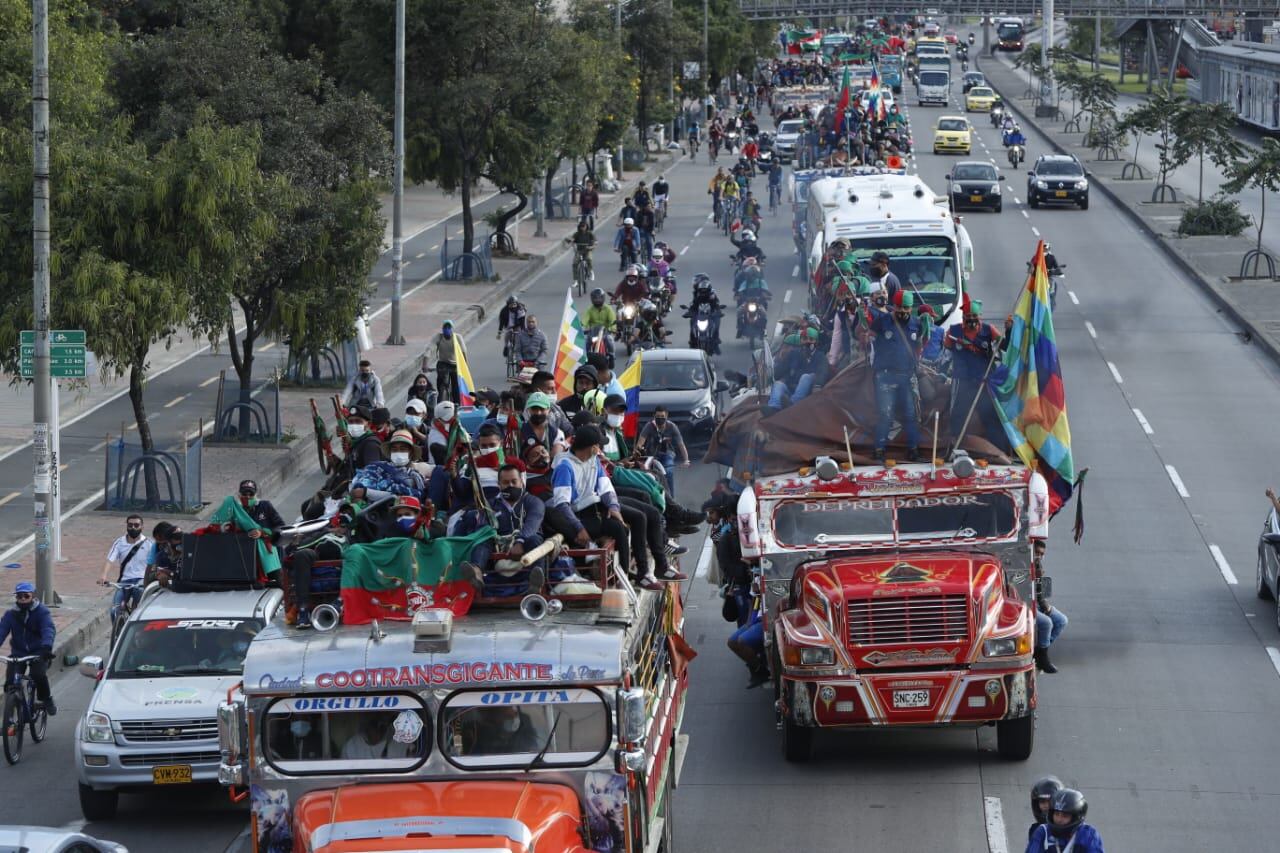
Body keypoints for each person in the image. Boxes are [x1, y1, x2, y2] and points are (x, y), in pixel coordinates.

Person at [545, 425, 632, 572]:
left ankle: (622, 572)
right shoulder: (565, 466)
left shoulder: (594, 460)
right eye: (598, 445)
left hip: (592, 511)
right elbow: (562, 505)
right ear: (592, 447)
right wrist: (579, 528)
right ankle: (619, 573)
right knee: (618, 528)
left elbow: (605, 487)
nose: (600, 448)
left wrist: (613, 506)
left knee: (622, 526)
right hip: (575, 517)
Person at [943, 295, 1005, 449]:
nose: (971, 319)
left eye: (974, 316)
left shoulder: (989, 330)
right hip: (962, 381)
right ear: (963, 317)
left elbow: (1004, 345)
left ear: (980, 316)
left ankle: (997, 449)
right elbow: (946, 352)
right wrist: (943, 373)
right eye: (968, 316)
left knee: (990, 415)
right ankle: (956, 448)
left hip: (983, 381)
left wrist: (1009, 330)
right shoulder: (953, 331)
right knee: (958, 415)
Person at [870, 290, 925, 462]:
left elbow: (920, 346)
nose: (902, 311)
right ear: (893, 306)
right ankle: (879, 449)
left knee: (911, 414)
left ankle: (913, 449)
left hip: (907, 376)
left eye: (906, 308)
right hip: (885, 376)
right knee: (885, 414)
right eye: (899, 307)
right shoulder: (881, 321)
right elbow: (865, 337)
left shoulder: (917, 324)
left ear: (911, 308)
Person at [0, 582, 56, 715]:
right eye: (20, 596)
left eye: (26, 596)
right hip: (18, 653)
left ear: (33, 596)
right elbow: (1, 631)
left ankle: (46, 699)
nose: (23, 599)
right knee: (10, 683)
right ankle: (10, 713)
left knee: (38, 675)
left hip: (38, 652)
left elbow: (48, 629)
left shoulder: (42, 612)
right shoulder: (10, 614)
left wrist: (46, 647)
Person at [102, 514, 151, 623]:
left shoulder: (149, 544)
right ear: (127, 526)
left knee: (139, 609)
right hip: (124, 581)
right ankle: (119, 631)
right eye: (130, 525)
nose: (133, 528)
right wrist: (103, 576)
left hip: (141, 581)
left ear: (142, 527)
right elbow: (110, 560)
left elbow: (154, 564)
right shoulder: (119, 542)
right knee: (114, 611)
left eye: (136, 525)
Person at [1026, 788, 1104, 853]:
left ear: (1075, 817)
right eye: (1056, 814)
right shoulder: (1043, 832)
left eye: (1065, 816)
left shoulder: (1088, 834)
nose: (1059, 819)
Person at [636, 407, 690, 496]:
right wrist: (636, 456)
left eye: (662, 416)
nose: (660, 419)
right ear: (654, 416)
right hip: (651, 455)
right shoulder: (649, 426)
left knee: (668, 472)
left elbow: (681, 445)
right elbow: (640, 443)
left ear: (667, 416)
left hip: (667, 454)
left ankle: (671, 498)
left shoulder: (672, 427)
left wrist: (686, 460)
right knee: (648, 475)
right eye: (658, 416)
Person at [1032, 539, 1068, 673]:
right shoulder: (1022, 565)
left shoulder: (1038, 566)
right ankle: (1042, 658)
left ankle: (1039, 652)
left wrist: (1045, 606)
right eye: (1037, 552)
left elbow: (1040, 592)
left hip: (1037, 603)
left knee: (1061, 620)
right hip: (1026, 606)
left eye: (1042, 554)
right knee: (1047, 623)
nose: (1039, 556)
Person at [768, 328, 825, 411]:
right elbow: (777, 374)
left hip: (808, 392)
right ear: (800, 340)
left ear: (816, 342)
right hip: (791, 388)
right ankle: (773, 408)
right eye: (804, 339)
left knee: (806, 377)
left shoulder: (820, 356)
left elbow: (823, 372)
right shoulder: (794, 354)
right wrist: (782, 360)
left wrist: (818, 384)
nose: (807, 342)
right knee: (778, 384)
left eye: (811, 339)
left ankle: (793, 404)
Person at [471, 705, 542, 754]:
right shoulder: (479, 732)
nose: (511, 710)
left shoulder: (524, 724)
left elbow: (533, 746)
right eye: (502, 710)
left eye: (509, 707)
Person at [341, 713, 411, 760]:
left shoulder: (402, 742)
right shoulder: (351, 745)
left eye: (381, 723)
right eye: (374, 723)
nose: (378, 727)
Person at [683, 273, 723, 353]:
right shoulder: (696, 292)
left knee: (716, 323)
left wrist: (718, 311)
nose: (694, 283)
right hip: (699, 314)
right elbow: (694, 304)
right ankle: (692, 341)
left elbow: (716, 303)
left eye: (696, 281)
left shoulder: (712, 293)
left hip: (710, 314)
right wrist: (689, 312)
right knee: (692, 322)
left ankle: (716, 342)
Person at [343, 404, 386, 473]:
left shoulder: (370, 444)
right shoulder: (357, 442)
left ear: (368, 424)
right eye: (350, 422)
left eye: (358, 421)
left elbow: (371, 474)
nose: (354, 425)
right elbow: (350, 469)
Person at [432, 320, 467, 405]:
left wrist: (464, 364)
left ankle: (457, 404)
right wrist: (424, 364)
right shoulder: (439, 337)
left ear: (452, 329)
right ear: (442, 329)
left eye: (449, 327)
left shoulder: (457, 337)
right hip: (443, 363)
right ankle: (441, 394)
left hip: (455, 364)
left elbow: (463, 351)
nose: (447, 329)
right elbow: (429, 349)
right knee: (441, 382)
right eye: (445, 327)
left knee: (455, 385)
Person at [1028, 776, 1064, 841]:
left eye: (1050, 801)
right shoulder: (1035, 829)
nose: (1047, 806)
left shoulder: (1069, 828)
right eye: (1042, 801)